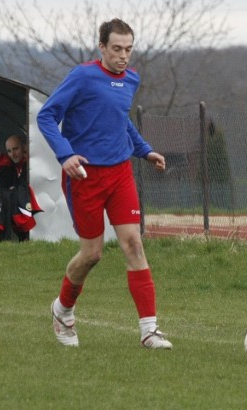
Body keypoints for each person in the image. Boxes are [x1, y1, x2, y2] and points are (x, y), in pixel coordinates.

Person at [37, 18, 171, 349]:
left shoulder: (131, 79)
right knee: (92, 254)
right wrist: (65, 155)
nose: (123, 56)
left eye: (128, 49)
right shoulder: (83, 76)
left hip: (120, 173)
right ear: (101, 47)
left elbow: (120, 119)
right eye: (116, 49)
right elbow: (47, 116)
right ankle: (63, 310)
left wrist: (144, 150)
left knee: (133, 244)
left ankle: (149, 330)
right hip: (85, 176)